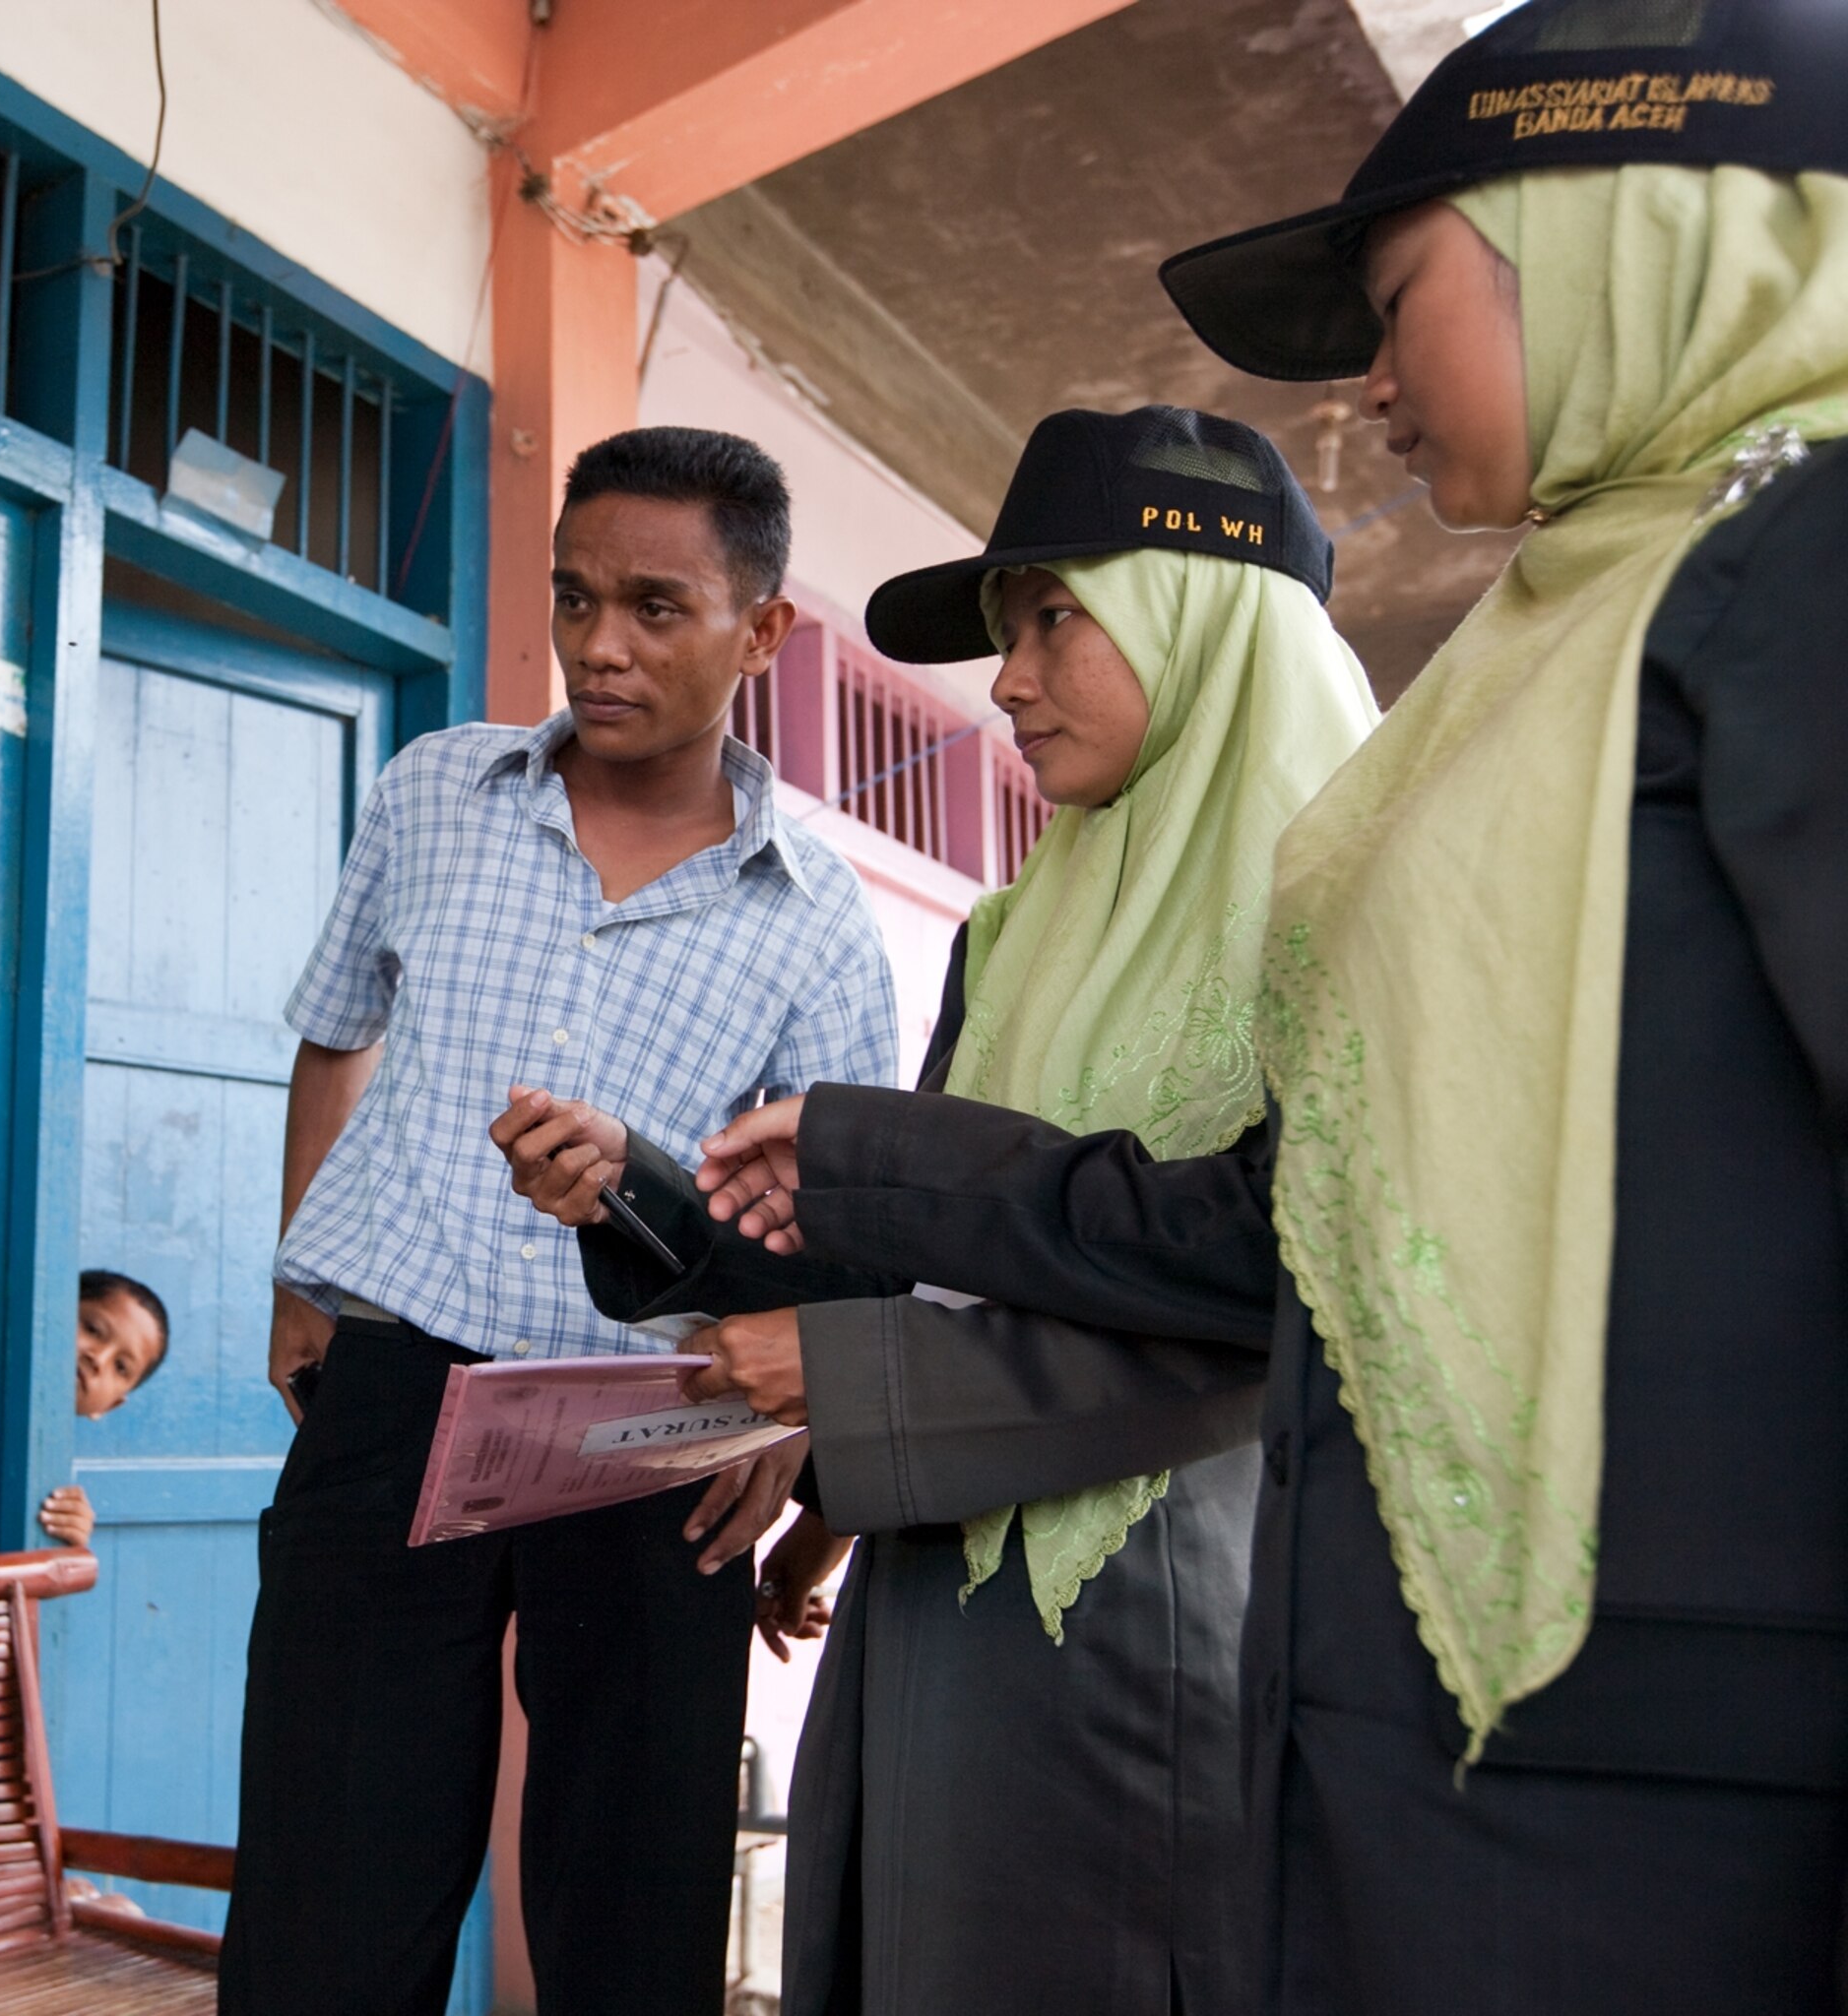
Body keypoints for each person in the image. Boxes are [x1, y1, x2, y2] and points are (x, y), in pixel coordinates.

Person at [680, 3, 1848, 2004]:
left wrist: (860, 1381)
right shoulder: (1514, 696)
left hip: (1579, 1759)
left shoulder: (1778, 588)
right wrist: (862, 1214)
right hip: (1400, 1738)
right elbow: (1301, 1217)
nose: (1373, 382)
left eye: (1401, 296)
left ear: (1603, 237)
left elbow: (1257, 1288)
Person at [498, 406, 1377, 2016]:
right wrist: (642, 1194)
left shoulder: (1348, 913)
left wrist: (864, 1383)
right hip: (926, 1592)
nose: (1010, 679)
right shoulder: (1014, 929)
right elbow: (929, 1248)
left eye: (1054, 617)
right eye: (1001, 630)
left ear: (1206, 618)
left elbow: (1284, 1290)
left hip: (1154, 1628)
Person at [220, 427, 902, 2016]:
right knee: (333, 1885)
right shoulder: (435, 791)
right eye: (573, 596)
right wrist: (294, 1283)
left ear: (762, 630)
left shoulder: (815, 921)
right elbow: (334, 1027)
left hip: (652, 1440)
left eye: (657, 608)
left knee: (628, 1912)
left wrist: (784, 1435)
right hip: (389, 1403)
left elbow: (842, 1234)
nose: (599, 646)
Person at [37, 1268, 172, 1546]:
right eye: (93, 1329)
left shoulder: (52, 1488)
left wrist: (69, 1536)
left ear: (110, 1406)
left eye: (120, 1367)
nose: (98, 1358)